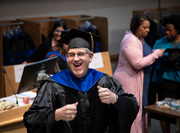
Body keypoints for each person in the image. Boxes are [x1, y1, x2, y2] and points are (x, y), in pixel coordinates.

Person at [23, 29, 139, 133]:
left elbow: (133, 105)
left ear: (90, 57)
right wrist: (56, 115)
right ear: (67, 57)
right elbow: (31, 119)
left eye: (81, 54)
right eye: (71, 55)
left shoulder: (105, 81)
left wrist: (116, 99)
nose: (76, 58)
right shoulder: (53, 85)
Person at [113, 14, 164, 133]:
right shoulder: (130, 40)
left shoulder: (140, 38)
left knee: (142, 111)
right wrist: (156, 54)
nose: (148, 30)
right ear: (135, 27)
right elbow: (137, 63)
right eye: (144, 27)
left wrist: (154, 52)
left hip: (142, 82)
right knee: (133, 112)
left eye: (148, 27)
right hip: (130, 81)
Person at [151, 13, 180, 133]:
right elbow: (152, 60)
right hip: (165, 82)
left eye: (170, 30)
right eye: (165, 30)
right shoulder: (159, 43)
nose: (167, 32)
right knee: (164, 111)